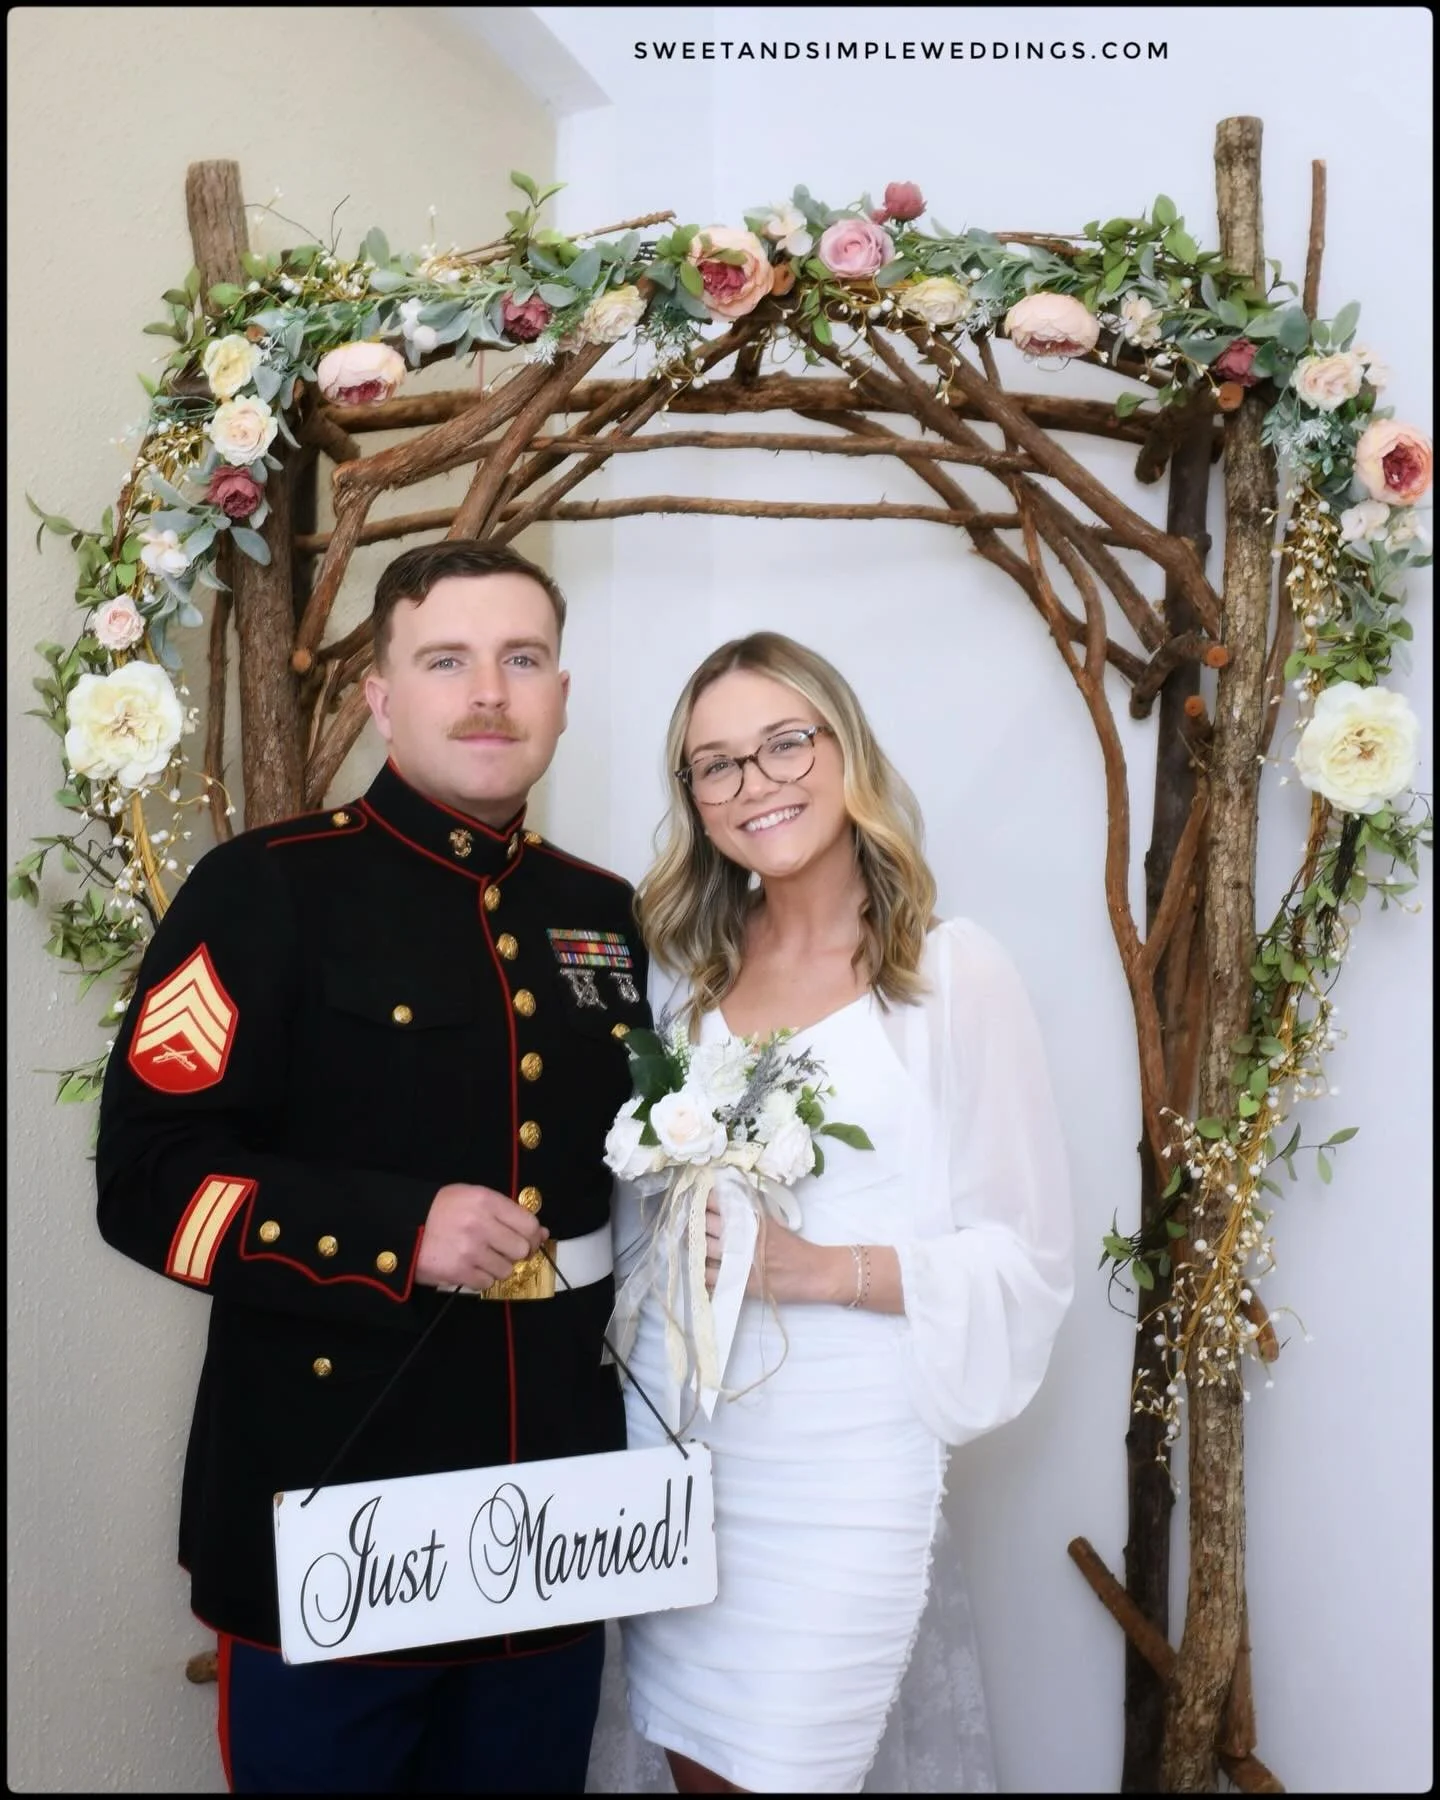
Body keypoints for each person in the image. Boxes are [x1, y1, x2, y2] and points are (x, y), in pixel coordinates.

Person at [95, 541, 652, 1794]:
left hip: (551, 1524)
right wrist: (399, 1231)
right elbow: (145, 1181)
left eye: (522, 660)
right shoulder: (264, 892)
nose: (490, 693)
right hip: (337, 1505)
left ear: (563, 692)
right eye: (446, 660)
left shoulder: (606, 914)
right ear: (381, 697)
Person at [612, 632, 1075, 1795]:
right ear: (694, 801)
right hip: (683, 1446)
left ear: (845, 749)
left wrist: (820, 1269)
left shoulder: (946, 975)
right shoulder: (689, 981)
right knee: (694, 1767)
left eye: (783, 743)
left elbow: (1028, 1261)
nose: (755, 783)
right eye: (716, 765)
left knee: (786, 1767)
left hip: (839, 1469)